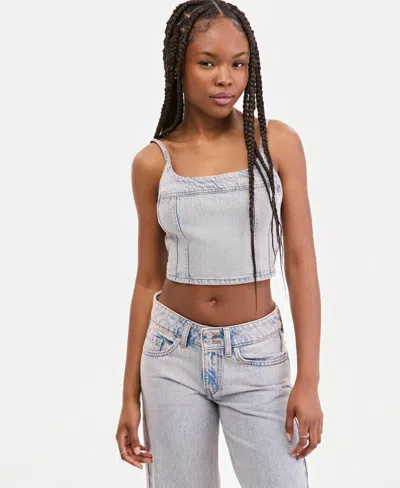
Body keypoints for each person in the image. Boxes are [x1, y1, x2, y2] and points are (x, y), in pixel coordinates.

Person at [116, 1, 323, 486]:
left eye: (239, 64)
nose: (226, 78)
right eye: (207, 63)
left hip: (256, 355)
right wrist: (129, 394)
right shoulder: (153, 163)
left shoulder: (276, 144)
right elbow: (148, 280)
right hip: (171, 355)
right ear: (179, 66)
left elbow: (301, 264)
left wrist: (309, 379)